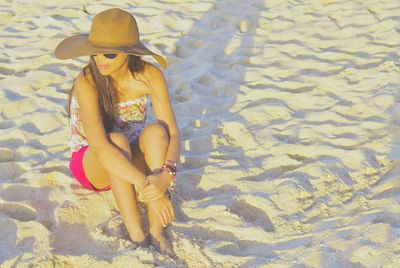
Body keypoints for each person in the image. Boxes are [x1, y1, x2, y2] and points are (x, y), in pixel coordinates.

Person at [54, 8, 180, 257]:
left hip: (129, 158)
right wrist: (148, 187)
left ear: (128, 53)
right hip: (92, 163)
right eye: (95, 51)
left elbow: (174, 133)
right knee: (116, 140)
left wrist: (166, 175)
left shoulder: (149, 76)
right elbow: (100, 146)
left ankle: (156, 232)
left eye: (109, 53)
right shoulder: (88, 80)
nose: (100, 59)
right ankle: (138, 236)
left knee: (157, 132)